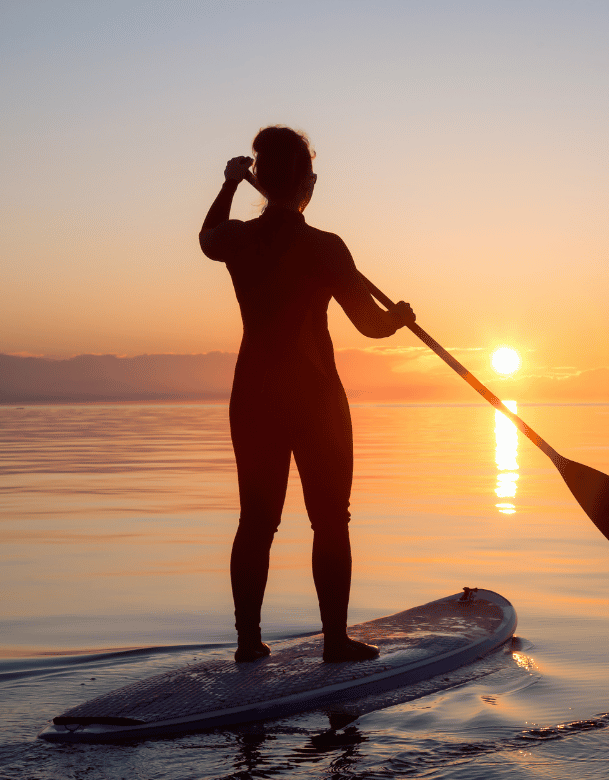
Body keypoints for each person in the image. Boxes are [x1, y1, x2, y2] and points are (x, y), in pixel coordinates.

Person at [199, 126, 415, 663]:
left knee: (256, 523)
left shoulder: (240, 239)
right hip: (316, 399)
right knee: (331, 520)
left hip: (254, 396)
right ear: (307, 185)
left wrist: (228, 183)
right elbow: (369, 324)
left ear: (262, 180)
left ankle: (248, 643)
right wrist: (398, 318)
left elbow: (207, 237)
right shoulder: (325, 247)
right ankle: (335, 640)